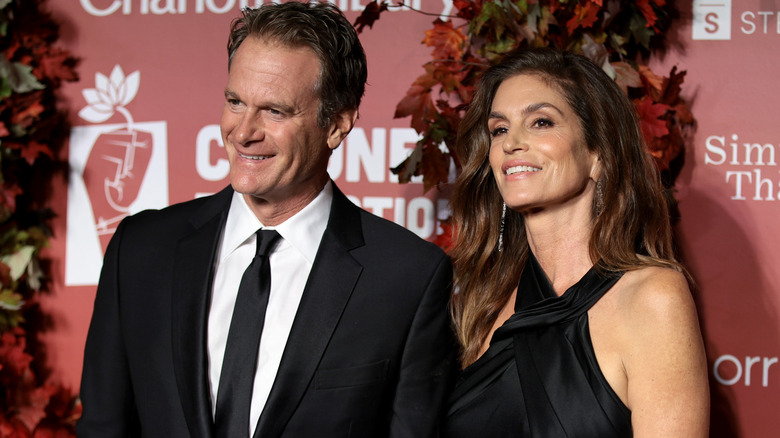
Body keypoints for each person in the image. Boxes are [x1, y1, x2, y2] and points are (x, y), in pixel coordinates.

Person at [76, 2, 455, 437]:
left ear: (336, 124)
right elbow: (102, 427)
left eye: (274, 111)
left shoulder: (407, 278)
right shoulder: (141, 250)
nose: (242, 131)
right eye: (235, 101)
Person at [442, 48, 709, 437]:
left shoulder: (652, 297)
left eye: (540, 122)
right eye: (499, 129)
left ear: (597, 153)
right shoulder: (482, 299)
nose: (511, 142)